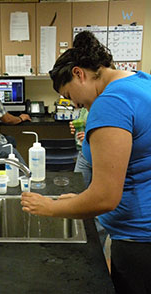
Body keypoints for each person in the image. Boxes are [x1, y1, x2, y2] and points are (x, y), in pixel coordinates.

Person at [21, 31, 151, 293]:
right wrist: (77, 201)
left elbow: (105, 198)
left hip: (139, 239)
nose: (74, 103)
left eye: (69, 93)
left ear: (79, 73)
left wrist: (50, 207)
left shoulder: (110, 103)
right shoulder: (141, 81)